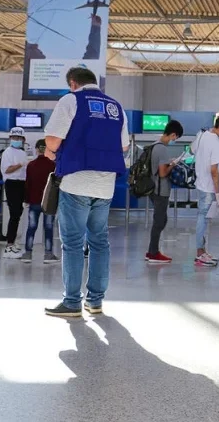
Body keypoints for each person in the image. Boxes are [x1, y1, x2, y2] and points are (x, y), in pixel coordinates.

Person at [44, 67, 129, 318]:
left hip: (76, 181)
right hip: (105, 185)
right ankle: (96, 301)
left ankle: (72, 302)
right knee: (99, 242)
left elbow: (52, 141)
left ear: (73, 83)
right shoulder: (116, 107)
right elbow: (123, 146)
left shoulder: (71, 100)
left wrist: (53, 151)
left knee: (72, 243)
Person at [193, 112, 219, 267]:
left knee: (203, 218)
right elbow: (214, 170)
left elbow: (192, 150)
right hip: (209, 187)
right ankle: (199, 253)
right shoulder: (216, 143)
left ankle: (202, 250)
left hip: (200, 183)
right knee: (203, 219)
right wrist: (218, 193)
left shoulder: (202, 135)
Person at [145, 119, 184, 264]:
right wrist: (173, 164)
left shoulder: (154, 145)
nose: (175, 140)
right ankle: (153, 253)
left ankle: (152, 250)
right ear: (173, 134)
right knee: (159, 220)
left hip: (153, 188)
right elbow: (162, 173)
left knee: (161, 219)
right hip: (160, 190)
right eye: (176, 137)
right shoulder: (162, 149)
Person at [21, 140, 57, 264]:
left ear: (36, 149)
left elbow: (27, 185)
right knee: (48, 228)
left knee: (31, 227)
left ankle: (27, 253)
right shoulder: (53, 165)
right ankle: (48, 254)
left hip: (34, 201)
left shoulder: (31, 165)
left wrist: (26, 200)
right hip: (49, 203)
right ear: (47, 150)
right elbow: (55, 186)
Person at [0, 126, 29, 259]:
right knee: (14, 213)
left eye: (19, 138)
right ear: (11, 138)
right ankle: (9, 244)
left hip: (22, 184)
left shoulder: (23, 153)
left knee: (18, 213)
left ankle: (14, 243)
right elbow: (7, 170)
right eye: (14, 137)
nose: (16, 140)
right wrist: (21, 164)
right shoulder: (7, 152)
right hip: (12, 183)